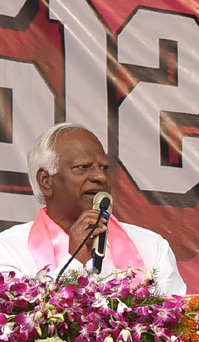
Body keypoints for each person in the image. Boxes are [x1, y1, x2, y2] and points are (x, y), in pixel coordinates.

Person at [0, 123, 186, 294]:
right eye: (83, 167)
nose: (100, 176)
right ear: (46, 181)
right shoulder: (9, 249)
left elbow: (179, 324)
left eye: (104, 167)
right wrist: (75, 260)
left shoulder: (151, 246)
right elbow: (22, 325)